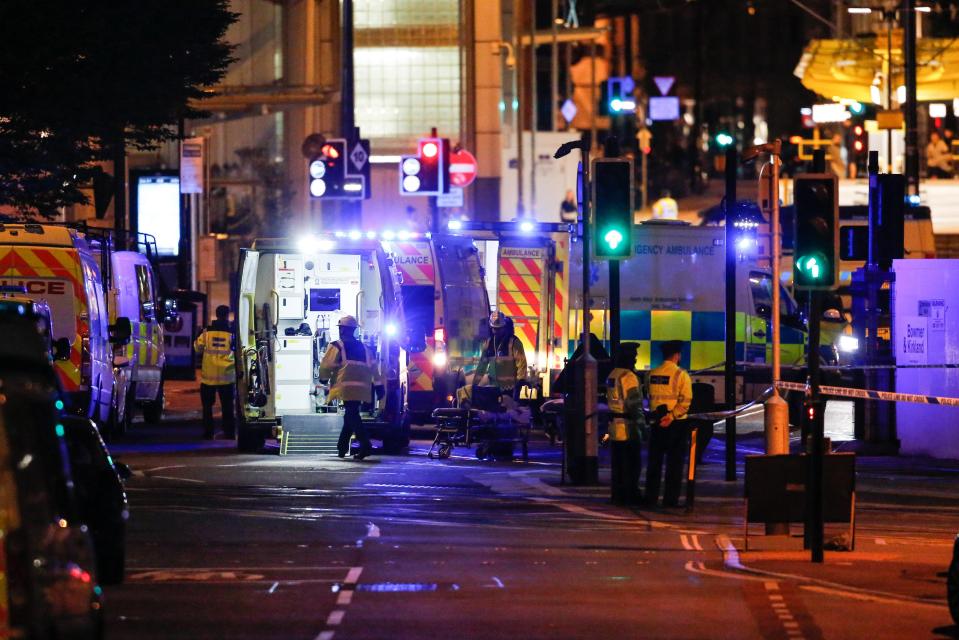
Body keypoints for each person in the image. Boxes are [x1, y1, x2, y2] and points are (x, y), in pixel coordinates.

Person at [644, 340, 693, 508]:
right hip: (676, 424)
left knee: (654, 463)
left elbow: (649, 396)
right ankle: (670, 500)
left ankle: (650, 498)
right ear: (677, 356)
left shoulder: (651, 373)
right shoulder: (681, 375)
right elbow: (686, 401)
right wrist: (671, 416)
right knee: (674, 464)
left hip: (656, 423)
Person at [319, 316, 375, 459]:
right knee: (350, 415)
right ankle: (342, 448)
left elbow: (326, 365)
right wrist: (379, 388)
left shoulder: (337, 346)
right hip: (363, 388)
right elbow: (374, 368)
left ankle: (366, 445)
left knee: (351, 415)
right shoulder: (364, 347)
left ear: (342, 330)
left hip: (346, 387)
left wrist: (323, 378)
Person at [606, 343, 644, 505]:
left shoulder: (613, 375)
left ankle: (617, 494)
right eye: (633, 355)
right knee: (632, 464)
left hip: (615, 427)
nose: (635, 358)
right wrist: (643, 426)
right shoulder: (628, 376)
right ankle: (630, 495)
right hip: (628, 427)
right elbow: (634, 404)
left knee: (618, 465)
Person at [194, 304, 236, 439]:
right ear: (227, 315)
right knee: (228, 407)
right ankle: (229, 432)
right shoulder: (232, 333)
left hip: (208, 377)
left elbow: (197, 348)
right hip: (227, 375)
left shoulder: (206, 333)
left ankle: (208, 432)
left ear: (216, 315)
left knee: (207, 408)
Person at [472, 311, 527, 398]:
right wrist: (474, 385)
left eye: (499, 328)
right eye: (494, 328)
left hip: (509, 390)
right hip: (493, 389)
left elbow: (522, 364)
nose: (496, 331)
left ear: (504, 327)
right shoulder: (489, 343)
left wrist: (520, 382)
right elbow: (481, 367)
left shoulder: (514, 342)